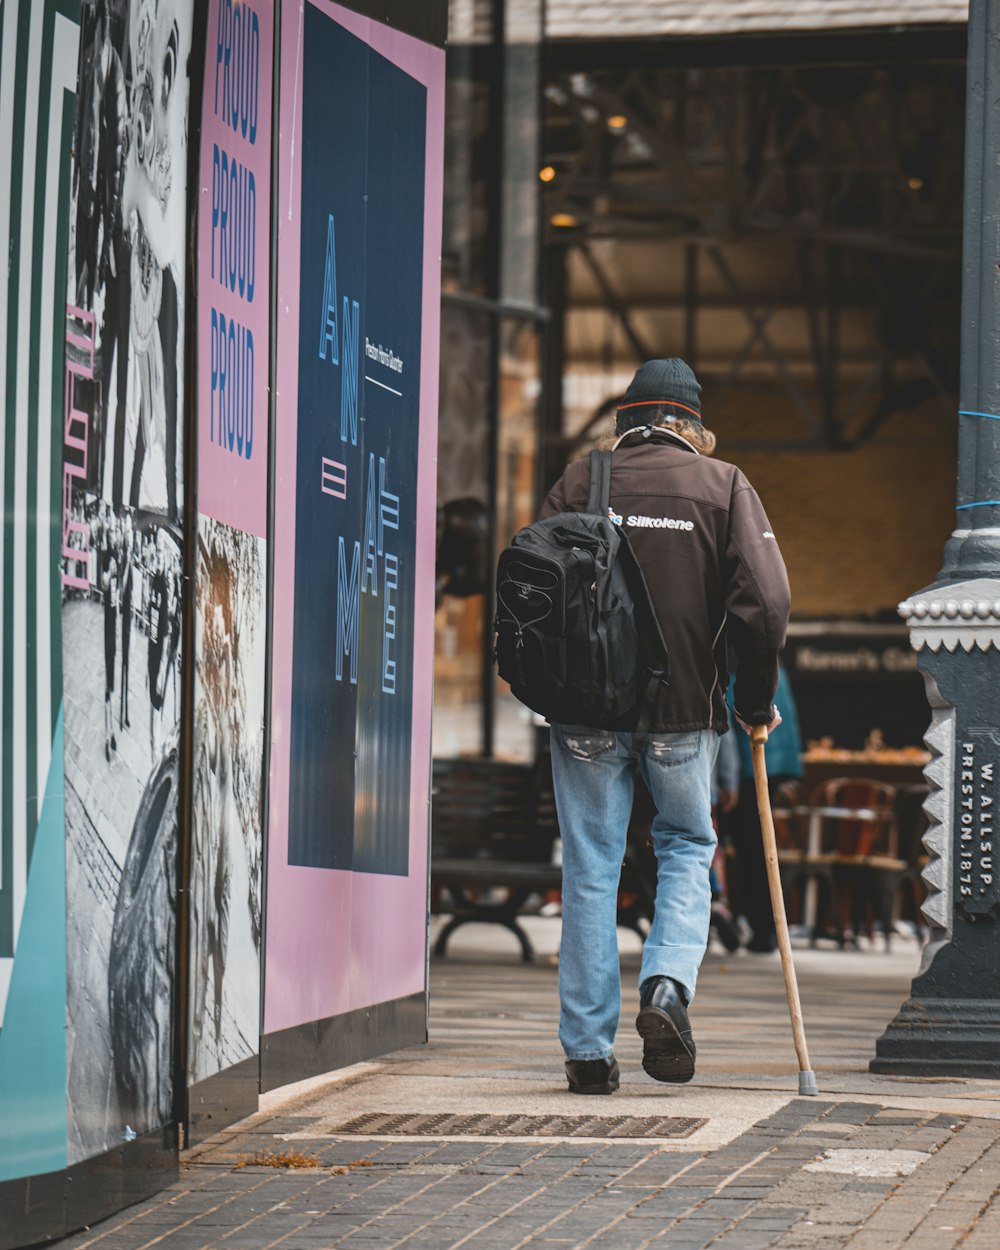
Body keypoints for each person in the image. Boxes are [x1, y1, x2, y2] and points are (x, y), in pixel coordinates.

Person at [540, 358, 790, 1094]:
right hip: (684, 711)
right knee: (686, 846)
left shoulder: (582, 481)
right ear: (692, 426)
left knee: (590, 865)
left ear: (626, 421)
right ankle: (666, 988)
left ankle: (588, 1053)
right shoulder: (724, 486)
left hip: (585, 709)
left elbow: (532, 578)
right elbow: (767, 604)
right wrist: (754, 699)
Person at [723, 663, 803, 952]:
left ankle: (762, 929)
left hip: (748, 768)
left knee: (751, 852)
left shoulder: (734, 673)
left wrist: (726, 780)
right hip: (773, 765)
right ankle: (767, 929)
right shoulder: (777, 669)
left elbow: (729, 725)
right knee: (760, 851)